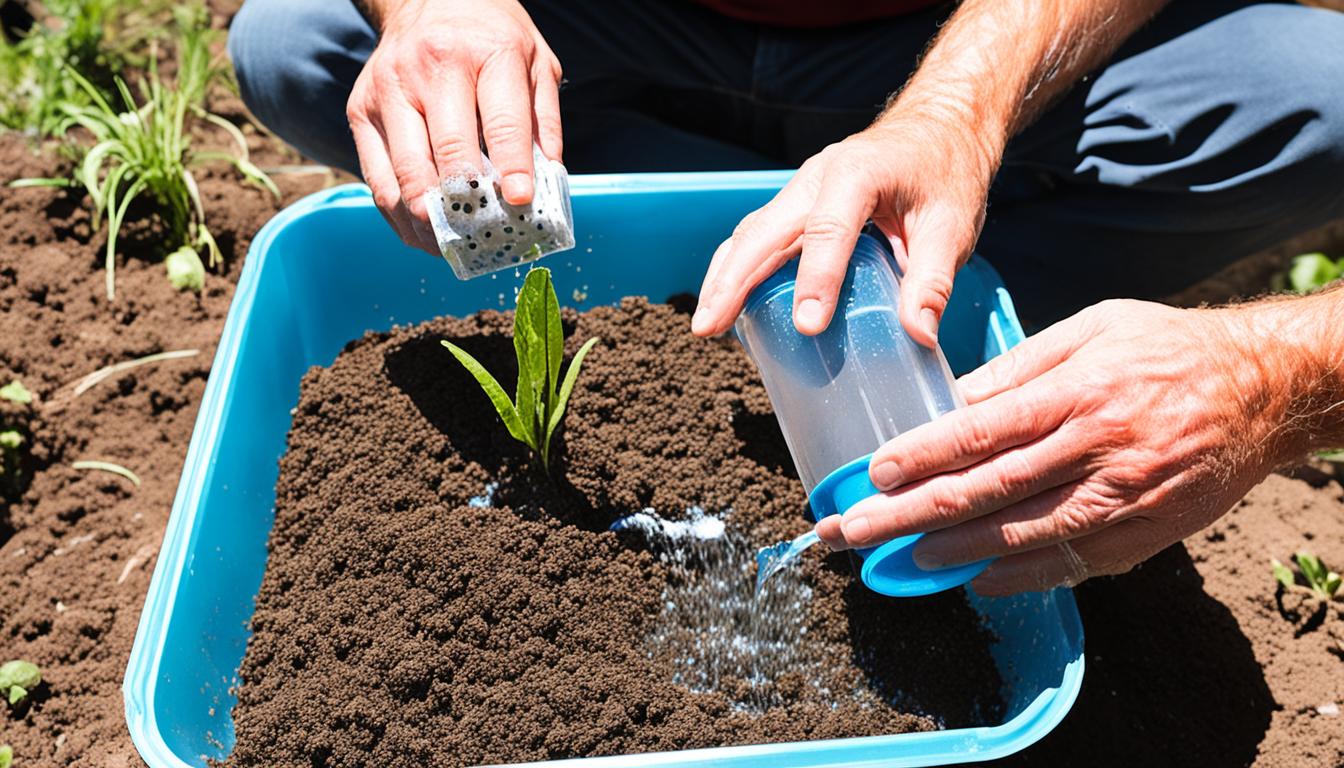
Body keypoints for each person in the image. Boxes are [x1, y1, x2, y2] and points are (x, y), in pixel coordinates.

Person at [229, 0, 1344, 594]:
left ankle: (939, 265)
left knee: (1319, 97)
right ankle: (754, 207)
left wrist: (954, 114)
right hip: (630, 26)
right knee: (301, 41)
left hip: (970, 34)